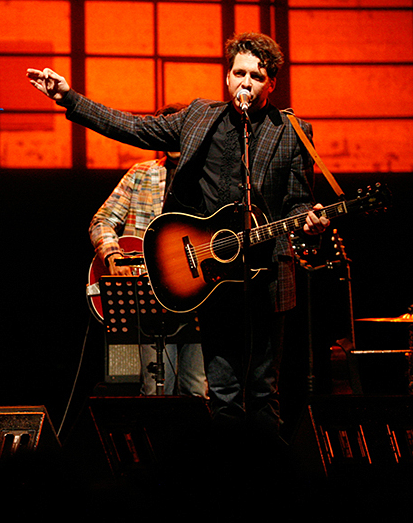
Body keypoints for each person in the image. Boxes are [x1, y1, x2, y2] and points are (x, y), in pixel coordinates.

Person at [29, 32, 329, 435]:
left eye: (256, 76)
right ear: (227, 77)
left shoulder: (290, 130)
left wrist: (309, 220)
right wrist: (70, 99)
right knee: (222, 395)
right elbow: (132, 127)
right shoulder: (200, 117)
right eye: (238, 73)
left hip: (265, 278)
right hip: (209, 277)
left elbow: (296, 201)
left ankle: (266, 486)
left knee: (262, 394)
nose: (245, 82)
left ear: (271, 83)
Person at [90, 103, 207, 398]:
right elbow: (101, 220)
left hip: (196, 296)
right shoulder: (140, 174)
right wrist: (112, 254)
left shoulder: (207, 179)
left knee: (196, 388)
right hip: (150, 297)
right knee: (156, 389)